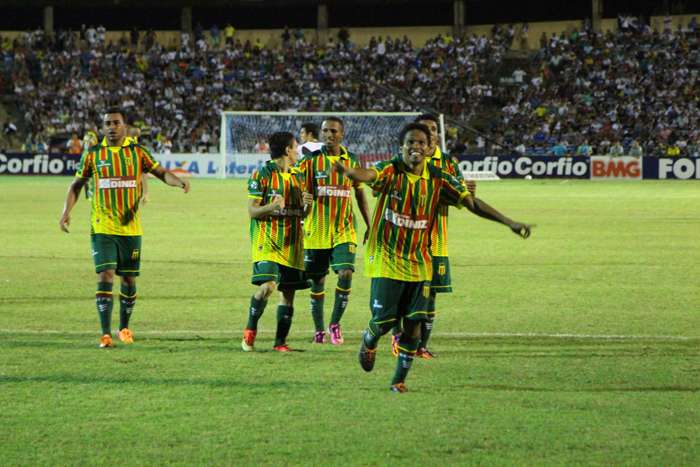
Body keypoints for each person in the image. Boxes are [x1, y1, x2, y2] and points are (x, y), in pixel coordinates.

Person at [335, 123, 532, 393]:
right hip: (387, 259)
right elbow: (369, 174)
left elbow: (472, 203)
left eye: (420, 143)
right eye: (409, 143)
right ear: (401, 147)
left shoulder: (439, 177)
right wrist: (349, 172)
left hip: (420, 262)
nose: (415, 147)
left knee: (415, 323)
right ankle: (369, 340)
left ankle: (398, 380)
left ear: (429, 149)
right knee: (383, 323)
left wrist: (509, 222)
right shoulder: (390, 170)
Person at [59, 108, 191, 348]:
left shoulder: (137, 152)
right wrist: (66, 212)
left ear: (124, 126)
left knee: (129, 280)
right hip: (103, 226)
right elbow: (76, 185)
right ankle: (105, 333)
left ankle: (124, 328)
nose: (111, 127)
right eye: (107, 123)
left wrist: (178, 181)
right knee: (105, 274)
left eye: (116, 122)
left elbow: (161, 173)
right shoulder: (93, 154)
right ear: (103, 127)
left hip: (130, 229)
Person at [390, 114, 476, 360]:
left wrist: (468, 193)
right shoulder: (400, 163)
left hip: (435, 239)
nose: (427, 136)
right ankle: (398, 336)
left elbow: (461, 194)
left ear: (435, 137)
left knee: (431, 295)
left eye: (432, 130)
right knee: (401, 292)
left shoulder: (448, 163)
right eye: (423, 131)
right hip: (405, 240)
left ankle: (420, 346)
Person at [296, 117, 371, 344]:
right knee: (317, 282)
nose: (329, 135)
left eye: (333, 131)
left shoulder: (352, 160)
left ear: (342, 134)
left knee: (345, 272)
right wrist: (304, 200)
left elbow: (359, 193)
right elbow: (301, 194)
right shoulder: (310, 162)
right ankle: (319, 330)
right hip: (316, 229)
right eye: (325, 131)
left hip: (344, 228)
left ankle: (335, 324)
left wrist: (370, 224)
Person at [242, 132, 313, 352]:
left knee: (288, 293)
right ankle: (250, 331)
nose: (298, 151)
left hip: (292, 243)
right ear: (286, 150)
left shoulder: (298, 175)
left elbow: (302, 214)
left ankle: (280, 342)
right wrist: (271, 207)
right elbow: (252, 211)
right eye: (295, 147)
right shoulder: (262, 173)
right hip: (267, 240)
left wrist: (307, 206)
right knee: (267, 286)